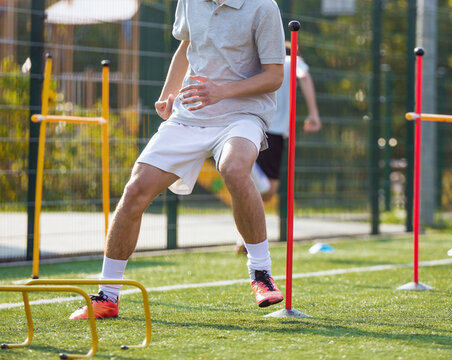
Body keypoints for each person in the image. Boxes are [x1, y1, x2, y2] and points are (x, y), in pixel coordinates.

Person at [69, 0, 286, 319]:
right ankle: (107, 296)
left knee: (234, 168)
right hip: (190, 114)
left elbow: (275, 77)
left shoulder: (264, 8)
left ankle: (261, 273)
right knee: (135, 191)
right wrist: (169, 94)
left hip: (243, 113)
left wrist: (222, 91)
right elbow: (187, 45)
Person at [236, 42, 321, 255]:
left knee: (262, 191)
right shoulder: (293, 61)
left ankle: (245, 239)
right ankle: (243, 166)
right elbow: (305, 76)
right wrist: (313, 113)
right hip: (272, 129)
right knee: (266, 189)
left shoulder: (261, 66)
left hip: (255, 124)